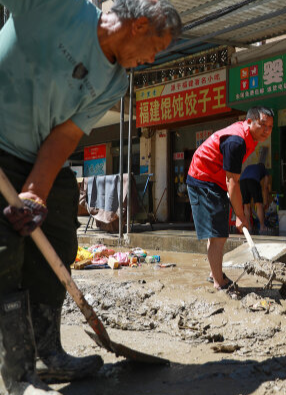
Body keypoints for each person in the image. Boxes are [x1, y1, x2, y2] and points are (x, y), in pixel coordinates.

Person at [0, 0, 181, 393]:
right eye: (156, 46)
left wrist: (36, 191)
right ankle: (18, 376)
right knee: (5, 256)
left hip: (35, 154)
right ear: (138, 26)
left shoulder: (115, 81)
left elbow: (66, 134)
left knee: (59, 240)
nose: (152, 58)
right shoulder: (57, 7)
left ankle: (49, 351)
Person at [187, 107, 274, 291]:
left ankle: (214, 273)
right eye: (263, 124)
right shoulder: (237, 141)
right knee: (218, 235)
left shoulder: (249, 136)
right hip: (203, 177)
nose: (267, 130)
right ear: (249, 122)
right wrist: (241, 216)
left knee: (218, 232)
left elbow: (232, 179)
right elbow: (232, 181)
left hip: (216, 178)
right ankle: (219, 283)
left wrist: (239, 213)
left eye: (270, 127)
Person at [240, 162, 271, 234]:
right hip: (253, 181)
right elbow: (265, 187)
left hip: (242, 181)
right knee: (258, 204)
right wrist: (266, 201)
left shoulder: (250, 166)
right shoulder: (264, 170)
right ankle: (262, 227)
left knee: (246, 205)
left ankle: (249, 227)